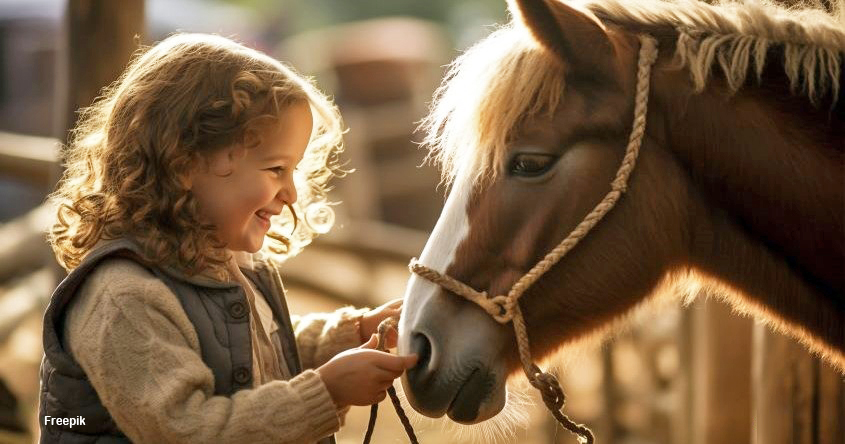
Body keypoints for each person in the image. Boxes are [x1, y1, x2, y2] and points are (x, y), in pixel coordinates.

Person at [39, 33, 417, 444]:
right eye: (276, 169)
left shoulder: (226, 265)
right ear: (184, 163)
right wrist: (325, 392)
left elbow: (249, 355)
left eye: (293, 171)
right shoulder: (124, 297)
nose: (291, 194)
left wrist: (352, 333)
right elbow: (187, 430)